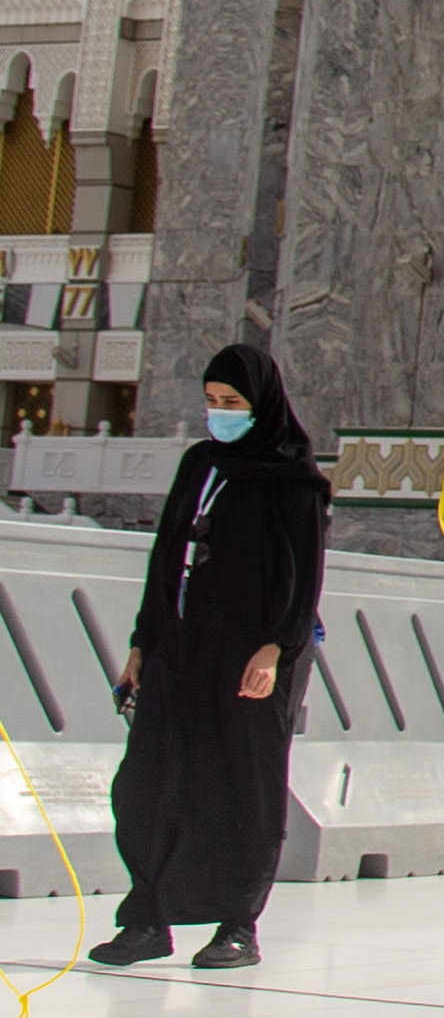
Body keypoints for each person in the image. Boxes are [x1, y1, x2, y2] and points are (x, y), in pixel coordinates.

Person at [89, 348, 330, 972]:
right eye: (213, 401)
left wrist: (278, 646)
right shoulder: (200, 464)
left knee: (243, 788)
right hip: (178, 649)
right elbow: (165, 557)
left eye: (232, 404)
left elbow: (304, 578)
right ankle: (147, 917)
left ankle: (237, 925)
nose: (219, 414)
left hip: (253, 655)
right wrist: (143, 642)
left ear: (262, 405)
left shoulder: (293, 481)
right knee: (147, 782)